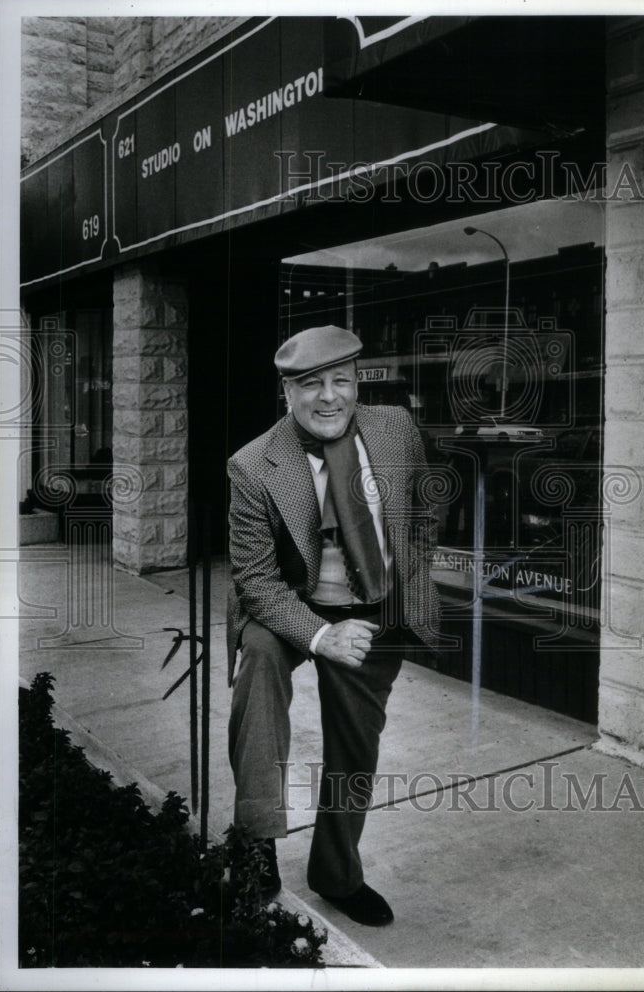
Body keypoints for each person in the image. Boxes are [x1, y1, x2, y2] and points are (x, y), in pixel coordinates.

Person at [226, 325, 441, 927]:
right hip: (288, 601)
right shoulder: (252, 466)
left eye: (340, 381)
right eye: (310, 384)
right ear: (286, 393)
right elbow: (258, 583)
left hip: (369, 604)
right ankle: (254, 842)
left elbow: (425, 506)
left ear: (357, 384)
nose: (328, 397)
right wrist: (320, 636)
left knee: (356, 744)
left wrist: (405, 576)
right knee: (262, 666)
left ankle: (336, 873)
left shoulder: (395, 428)